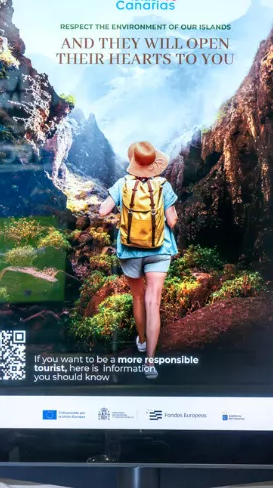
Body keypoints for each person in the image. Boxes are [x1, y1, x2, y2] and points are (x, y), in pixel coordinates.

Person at [97, 141, 179, 380]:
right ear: (154, 164)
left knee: (138, 297)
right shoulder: (164, 185)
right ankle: (150, 363)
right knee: (153, 302)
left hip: (130, 250)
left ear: (134, 162)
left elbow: (103, 211)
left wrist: (125, 212)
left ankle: (141, 340)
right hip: (159, 249)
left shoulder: (122, 184)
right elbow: (172, 221)